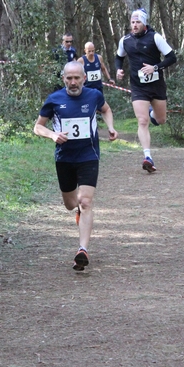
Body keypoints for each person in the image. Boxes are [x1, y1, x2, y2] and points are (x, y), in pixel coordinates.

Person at [34, 61, 118, 272]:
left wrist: (111, 127)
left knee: (86, 201)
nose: (73, 82)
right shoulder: (54, 100)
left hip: (88, 155)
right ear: (64, 79)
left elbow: (106, 110)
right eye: (69, 78)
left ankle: (82, 250)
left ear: (84, 78)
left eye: (76, 78)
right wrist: (52, 134)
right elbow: (38, 126)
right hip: (65, 158)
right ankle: (78, 212)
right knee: (71, 204)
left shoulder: (93, 96)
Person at [115, 9, 177, 173]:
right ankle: (147, 156)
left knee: (161, 119)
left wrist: (155, 67)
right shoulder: (125, 40)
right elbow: (119, 57)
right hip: (138, 87)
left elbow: (172, 57)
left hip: (156, 86)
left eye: (138, 22)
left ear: (144, 23)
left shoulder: (155, 37)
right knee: (142, 121)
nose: (135, 25)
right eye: (133, 22)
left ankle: (153, 114)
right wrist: (118, 70)